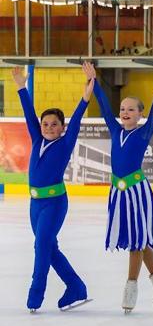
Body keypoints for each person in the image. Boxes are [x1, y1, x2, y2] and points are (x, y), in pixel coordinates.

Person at [85, 60, 153, 314]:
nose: (125, 112)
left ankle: (131, 285)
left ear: (140, 114)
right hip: (118, 192)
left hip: (137, 193)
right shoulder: (116, 130)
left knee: (137, 242)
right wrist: (93, 81)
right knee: (138, 239)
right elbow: (104, 107)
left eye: (131, 109)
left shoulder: (144, 132)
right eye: (123, 108)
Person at [14, 67, 93, 313]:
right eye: (45, 123)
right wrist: (20, 86)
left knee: (41, 246)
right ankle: (76, 287)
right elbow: (29, 113)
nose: (48, 127)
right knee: (49, 247)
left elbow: (78, 116)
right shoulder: (37, 140)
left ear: (62, 127)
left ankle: (35, 295)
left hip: (55, 202)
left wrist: (86, 95)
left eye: (54, 124)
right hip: (35, 204)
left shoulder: (65, 143)